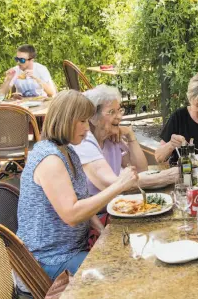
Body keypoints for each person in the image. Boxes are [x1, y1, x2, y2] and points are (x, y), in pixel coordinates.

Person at [16, 90, 138, 280]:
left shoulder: (68, 151)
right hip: (48, 260)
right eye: (82, 121)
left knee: (129, 254)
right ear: (65, 119)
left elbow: (82, 200)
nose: (87, 128)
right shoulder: (50, 159)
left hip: (73, 248)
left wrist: (101, 231)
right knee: (121, 274)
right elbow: (72, 215)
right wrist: (119, 185)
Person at [71, 85, 179, 198]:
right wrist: (165, 177)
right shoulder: (84, 142)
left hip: (116, 205)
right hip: (98, 213)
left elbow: (141, 169)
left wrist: (130, 135)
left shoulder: (111, 137)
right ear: (94, 117)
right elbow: (111, 184)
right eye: (111, 112)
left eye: (119, 110)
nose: (119, 117)